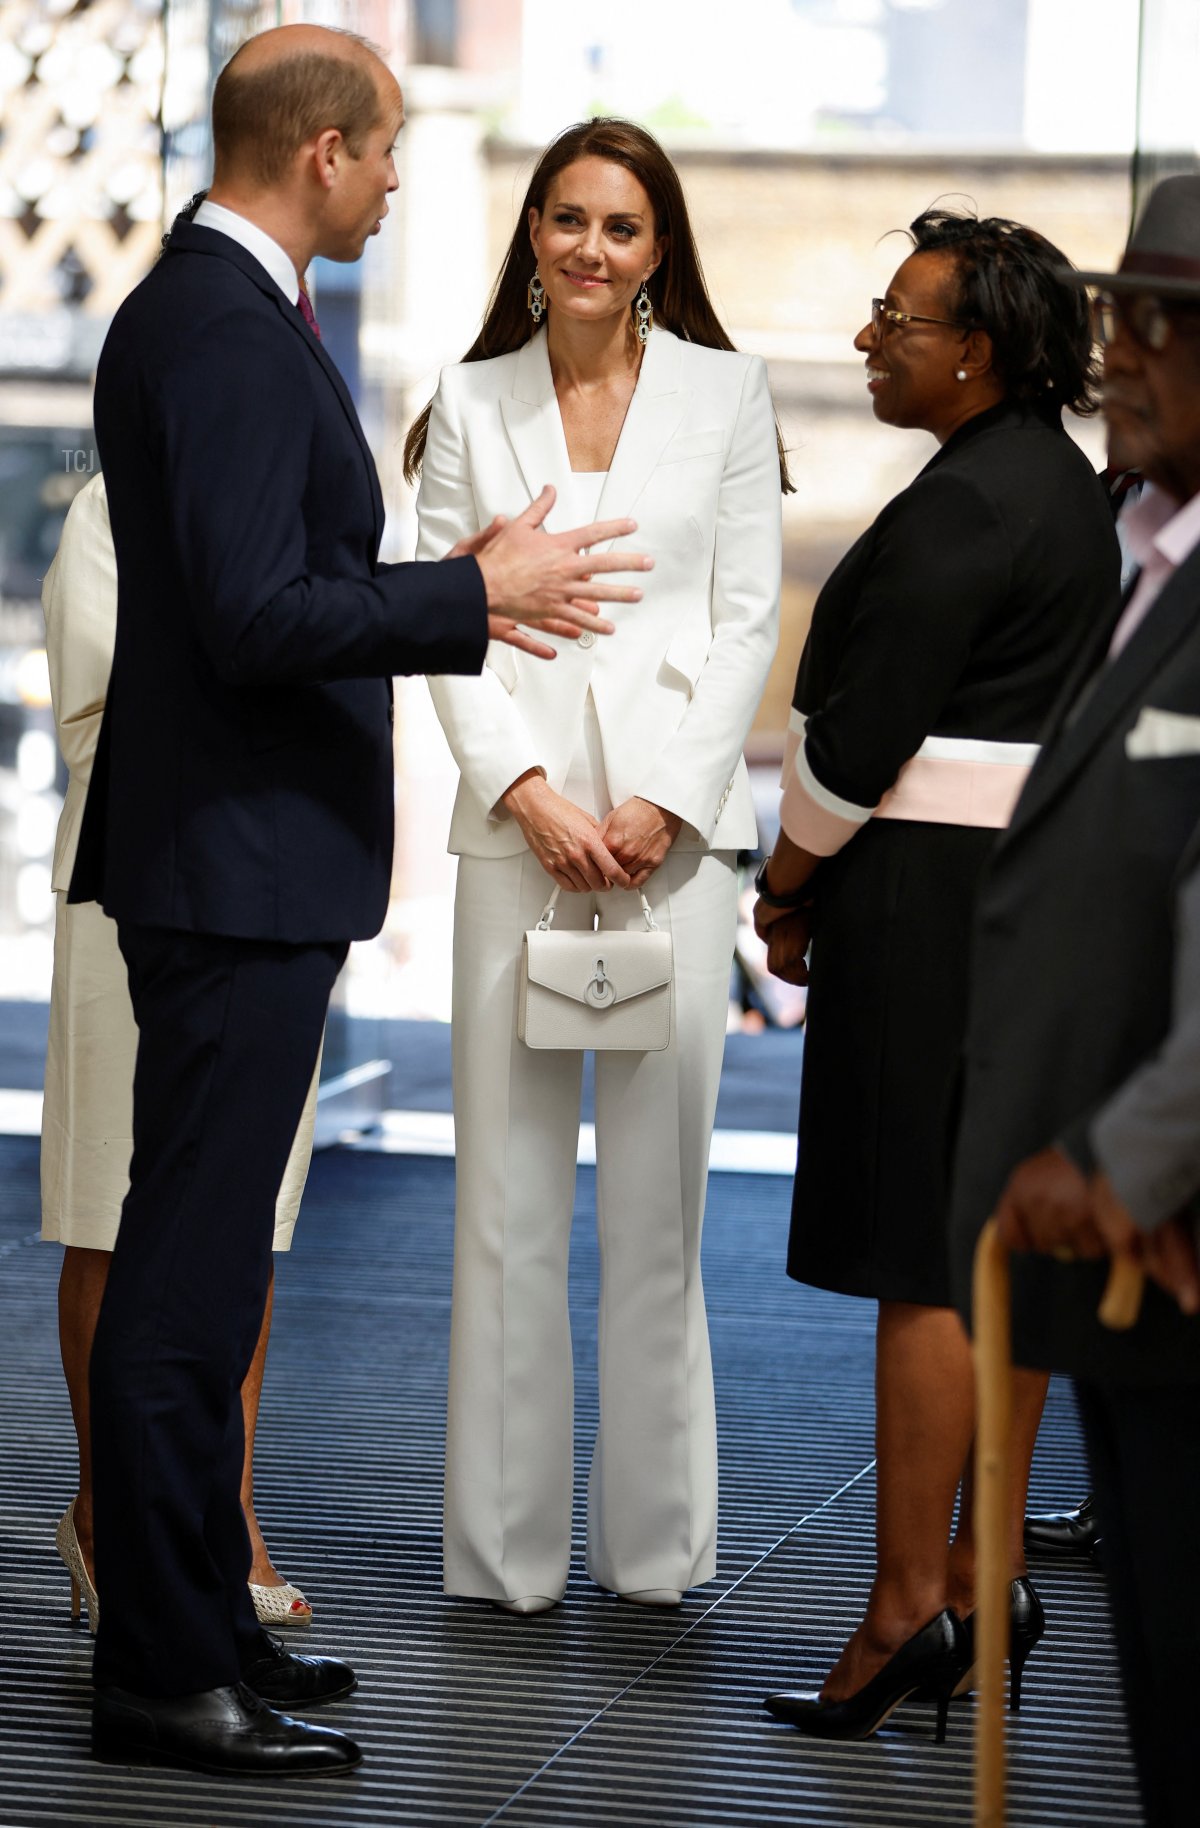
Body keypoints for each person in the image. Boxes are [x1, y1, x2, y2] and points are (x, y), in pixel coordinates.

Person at [74, 25, 650, 1778]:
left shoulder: (219, 312)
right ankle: (167, 1664)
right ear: (318, 151)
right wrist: (468, 592)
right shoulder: (228, 331)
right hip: (235, 867)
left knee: (208, 1276)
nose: (405, 176)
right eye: (388, 147)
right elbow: (261, 613)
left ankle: (203, 1621)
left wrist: (447, 591)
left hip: (238, 862)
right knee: (186, 1285)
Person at [406, 117, 786, 1614]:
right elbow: (442, 620)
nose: (588, 248)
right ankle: (504, 1562)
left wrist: (669, 804)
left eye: (620, 227)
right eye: (566, 219)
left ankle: (655, 1553)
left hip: (670, 858)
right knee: (502, 1214)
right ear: (534, 237)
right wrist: (531, 789)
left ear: (659, 250)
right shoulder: (467, 395)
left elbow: (746, 616)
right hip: (519, 843)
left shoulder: (731, 392)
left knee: (657, 1217)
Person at [754, 208, 1121, 1740]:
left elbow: (857, 736)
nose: (869, 341)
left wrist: (784, 886)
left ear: (976, 351)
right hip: (1019, 909)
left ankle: (909, 1610)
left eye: (898, 322)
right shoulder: (1061, 488)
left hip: (928, 910)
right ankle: (975, 1587)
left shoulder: (971, 503)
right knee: (994, 1265)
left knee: (927, 1264)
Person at [949, 173, 1200, 1827]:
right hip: (1127, 1276)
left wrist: (1124, 1159)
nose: (1127, 350)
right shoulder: (1144, 558)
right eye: (1121, 311)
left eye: (1171, 324)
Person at [43, 471, 320, 1633]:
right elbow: (99, 703)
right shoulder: (117, 503)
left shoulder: (311, 499)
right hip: (138, 870)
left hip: (278, 871)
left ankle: (228, 1509)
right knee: (114, 1197)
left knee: (247, 1211)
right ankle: (105, 1510)